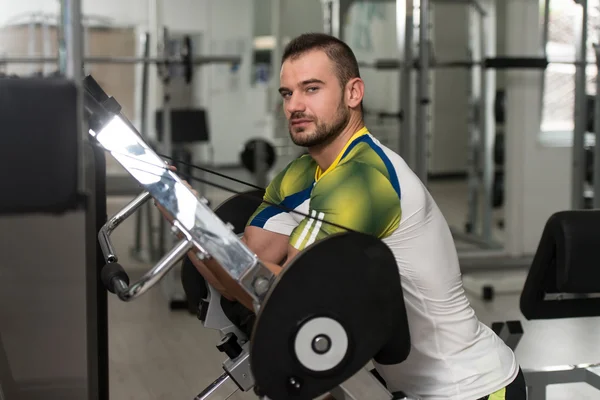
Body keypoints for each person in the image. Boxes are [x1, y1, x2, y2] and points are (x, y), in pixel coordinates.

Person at [171, 33, 526, 400]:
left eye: (311, 89)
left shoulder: (363, 179)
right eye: (287, 93)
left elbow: (284, 297)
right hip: (411, 388)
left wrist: (199, 228)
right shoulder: (298, 174)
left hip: (474, 388)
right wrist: (186, 219)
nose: (294, 105)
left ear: (353, 93)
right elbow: (245, 271)